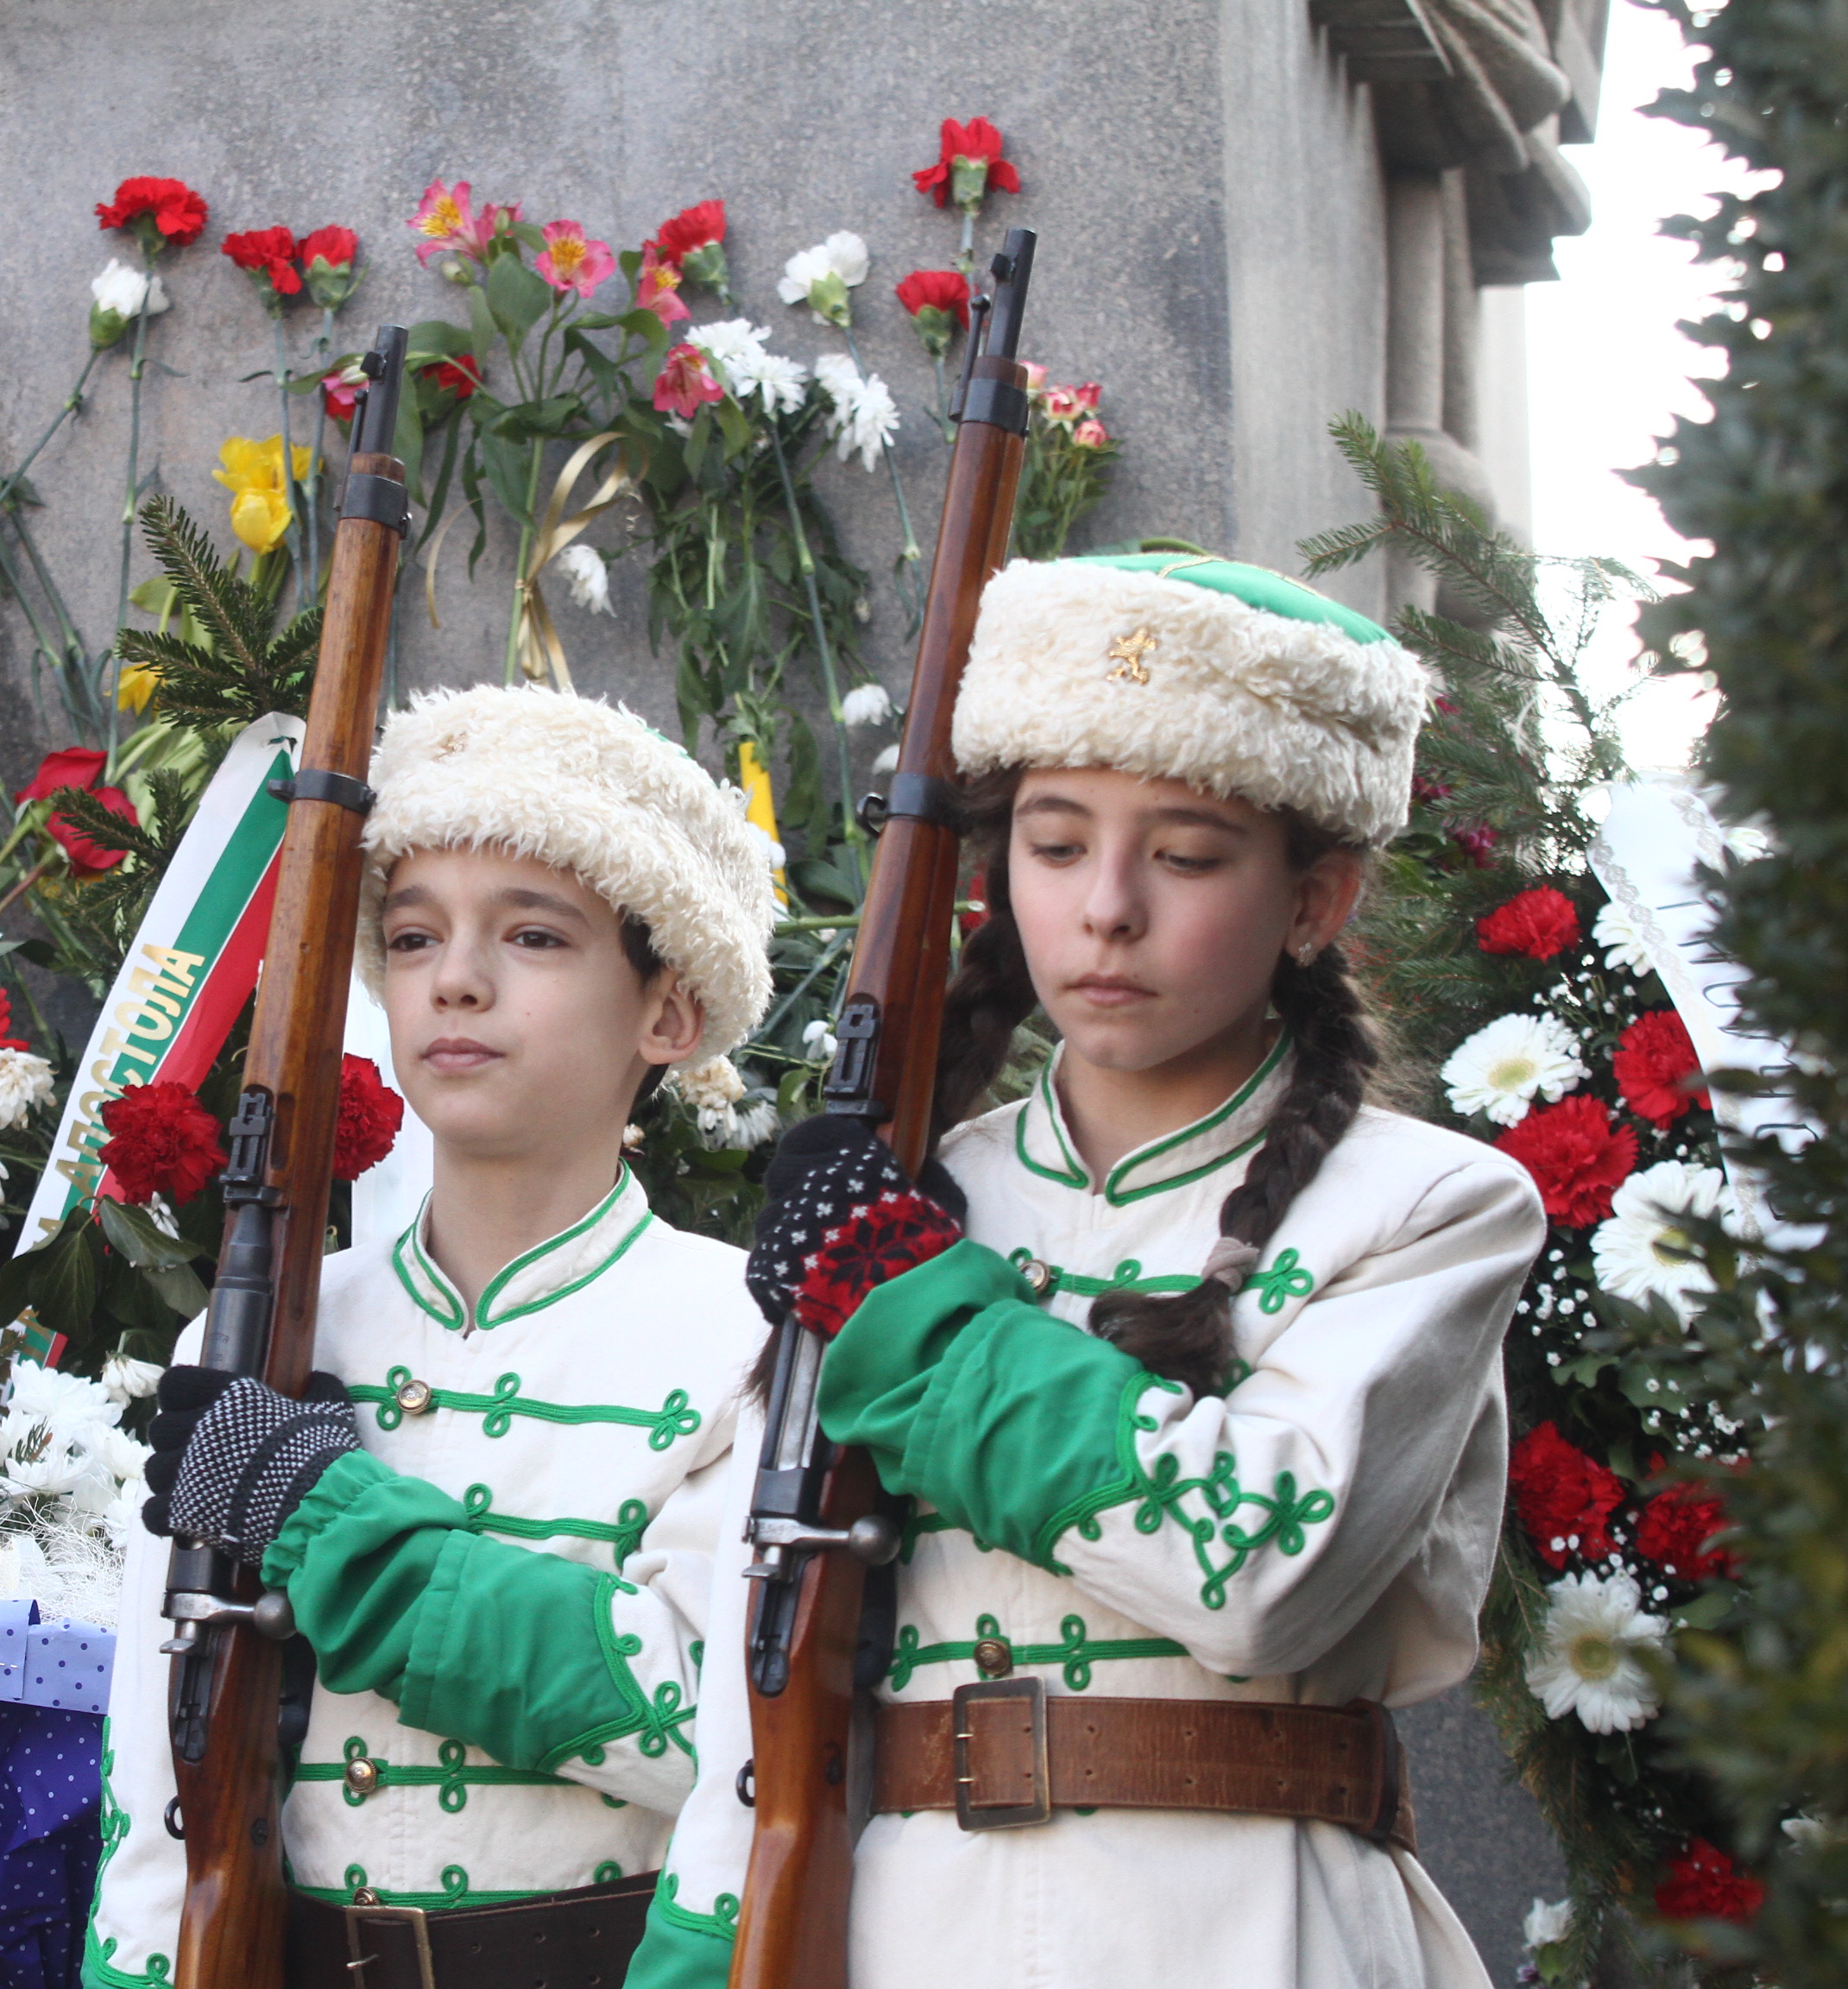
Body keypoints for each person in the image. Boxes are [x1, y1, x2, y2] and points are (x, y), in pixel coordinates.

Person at [641, 553, 1547, 1989]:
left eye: (1186, 856)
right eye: (1056, 846)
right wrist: (705, 1938)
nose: (1108, 906)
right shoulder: (914, 1201)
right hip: (906, 1937)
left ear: (1315, 900)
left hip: (1260, 1936)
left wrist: (918, 1324)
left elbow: (1260, 1571)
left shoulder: (1433, 1206)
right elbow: (763, 1620)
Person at [88, 685, 784, 1989]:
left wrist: (342, 1530)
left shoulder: (748, 1338)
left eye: (533, 934)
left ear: (671, 1011)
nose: (455, 978)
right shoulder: (254, 1340)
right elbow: (158, 1775)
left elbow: (721, 1734)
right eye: (413, 937)